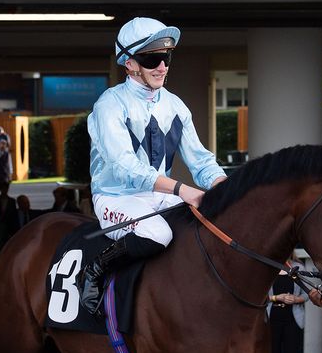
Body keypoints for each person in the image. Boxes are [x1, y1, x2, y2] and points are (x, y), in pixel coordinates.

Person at [76, 17, 227, 315]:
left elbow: (201, 160)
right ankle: (94, 271)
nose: (162, 66)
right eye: (152, 58)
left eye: (166, 57)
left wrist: (225, 186)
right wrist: (182, 190)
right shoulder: (110, 104)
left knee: (206, 227)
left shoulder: (175, 105)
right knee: (159, 235)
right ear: (129, 63)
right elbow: (124, 167)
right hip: (116, 198)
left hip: (158, 197)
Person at [266, 254, 308, 353]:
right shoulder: (269, 267)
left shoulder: (299, 268)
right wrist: (277, 297)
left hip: (293, 320)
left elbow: (306, 294)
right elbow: (260, 297)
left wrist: (296, 299)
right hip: (272, 319)